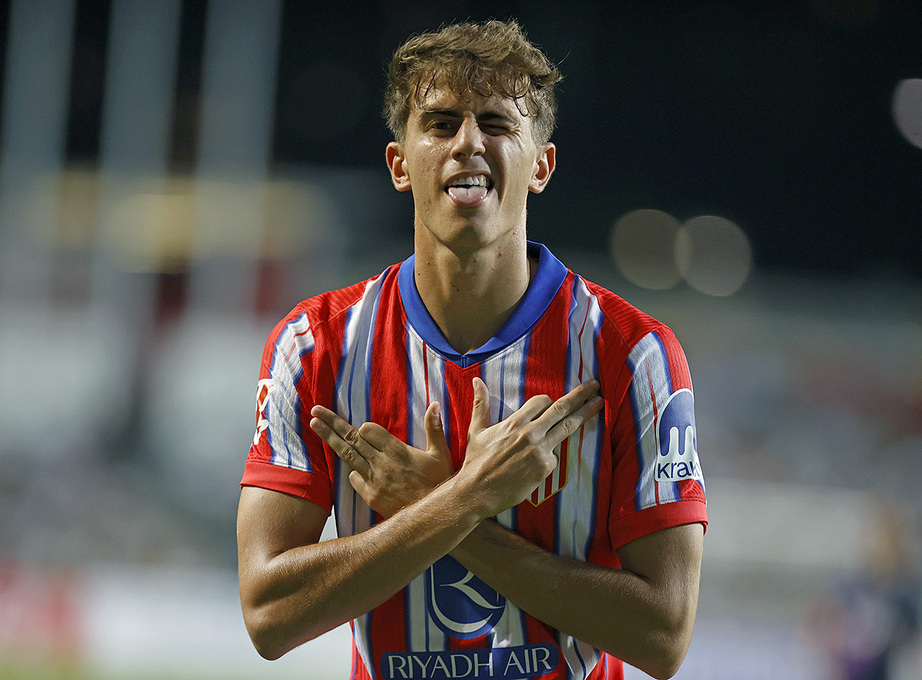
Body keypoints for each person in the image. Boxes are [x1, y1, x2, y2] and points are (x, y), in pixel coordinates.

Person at [237, 19, 707, 680]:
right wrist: (463, 501)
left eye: (495, 122)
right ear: (400, 164)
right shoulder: (315, 345)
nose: (467, 144)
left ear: (540, 165)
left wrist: (446, 507)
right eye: (439, 123)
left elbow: (663, 636)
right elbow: (268, 616)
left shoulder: (632, 355)